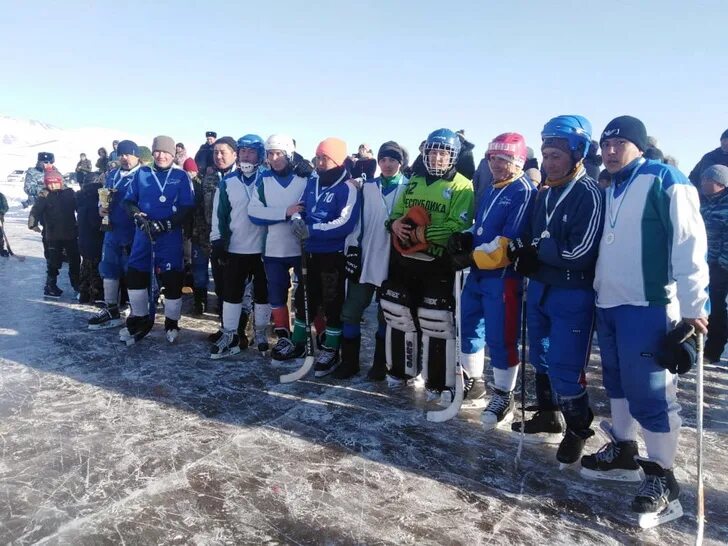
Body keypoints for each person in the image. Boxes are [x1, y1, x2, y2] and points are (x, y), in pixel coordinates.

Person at [581, 115, 708, 527]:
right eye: (606, 144)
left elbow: (690, 244)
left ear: (638, 145)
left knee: (650, 393)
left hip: (651, 304)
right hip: (611, 302)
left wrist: (694, 306)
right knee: (616, 383)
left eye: (620, 143)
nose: (611, 151)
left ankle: (663, 479)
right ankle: (622, 450)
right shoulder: (610, 185)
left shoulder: (665, 179)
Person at [506, 116, 604, 466]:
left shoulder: (589, 193)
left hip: (572, 294)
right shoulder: (544, 194)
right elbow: (532, 236)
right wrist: (522, 251)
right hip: (542, 290)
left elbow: (580, 253)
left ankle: (578, 428)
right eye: (545, 155)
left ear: (577, 154)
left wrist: (539, 252)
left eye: (556, 156)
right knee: (541, 357)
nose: (548, 162)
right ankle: (548, 414)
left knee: (566, 364)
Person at [448, 132, 534, 427]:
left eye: (504, 159)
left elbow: (506, 244)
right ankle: (475, 381)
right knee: (469, 324)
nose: (496, 164)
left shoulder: (523, 191)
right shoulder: (493, 188)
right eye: (492, 158)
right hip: (479, 274)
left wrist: (471, 257)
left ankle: (504, 393)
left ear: (518, 161)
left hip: (503, 277)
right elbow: (483, 226)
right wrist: (466, 236)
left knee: (501, 335)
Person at [383, 128, 474, 394]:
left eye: (443, 153)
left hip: (438, 264)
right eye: (432, 152)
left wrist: (425, 233)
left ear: (453, 156)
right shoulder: (413, 181)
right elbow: (397, 213)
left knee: (436, 322)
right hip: (406, 261)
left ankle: (438, 381)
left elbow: (458, 225)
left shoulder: (462, 185)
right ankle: (401, 371)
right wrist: (396, 224)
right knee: (399, 315)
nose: (436, 158)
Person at [284, 138, 361, 376]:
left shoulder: (347, 186)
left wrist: (313, 230)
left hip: (332, 255)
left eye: (324, 158)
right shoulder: (313, 181)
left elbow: (345, 222)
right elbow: (302, 207)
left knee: (332, 303)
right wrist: (296, 220)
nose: (319, 162)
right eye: (317, 157)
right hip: (309, 252)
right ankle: (299, 342)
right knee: (303, 298)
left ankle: (331, 347)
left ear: (337, 159)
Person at [339, 141, 409, 380]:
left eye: (393, 160)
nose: (387, 164)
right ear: (378, 162)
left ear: (401, 163)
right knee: (351, 311)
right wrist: (352, 250)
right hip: (366, 257)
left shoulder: (409, 188)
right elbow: (355, 222)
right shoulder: (366, 187)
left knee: (386, 315)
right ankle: (349, 363)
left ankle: (380, 364)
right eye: (383, 159)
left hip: (394, 260)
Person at [121, 136, 195, 344]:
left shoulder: (181, 177)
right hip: (144, 234)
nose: (161, 156)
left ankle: (171, 322)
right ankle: (140, 316)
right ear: (153, 153)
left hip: (169, 236)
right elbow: (128, 201)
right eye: (157, 152)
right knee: (136, 273)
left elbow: (187, 207)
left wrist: (167, 224)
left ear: (173, 155)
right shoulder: (142, 174)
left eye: (166, 152)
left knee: (172, 278)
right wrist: (136, 215)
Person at [248, 134, 312, 358]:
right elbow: (254, 212)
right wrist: (285, 212)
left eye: (278, 154)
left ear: (288, 154)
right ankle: (284, 335)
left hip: (301, 245)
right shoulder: (263, 180)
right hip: (274, 248)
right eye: (270, 154)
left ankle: (310, 336)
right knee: (276, 293)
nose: (274, 159)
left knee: (308, 293)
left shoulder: (304, 177)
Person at [208, 134, 271, 358]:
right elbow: (219, 215)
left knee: (263, 294)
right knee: (231, 294)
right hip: (236, 248)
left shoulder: (268, 179)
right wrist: (217, 241)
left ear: (260, 155)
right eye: (242, 151)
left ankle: (261, 332)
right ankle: (230, 333)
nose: (245, 155)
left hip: (264, 250)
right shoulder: (228, 183)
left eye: (251, 151)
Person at [88, 140, 143, 329]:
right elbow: (102, 196)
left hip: (133, 231)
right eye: (121, 154)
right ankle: (111, 309)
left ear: (137, 156)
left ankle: (136, 310)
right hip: (111, 230)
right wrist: (100, 208)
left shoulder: (143, 175)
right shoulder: (112, 174)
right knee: (109, 268)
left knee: (133, 271)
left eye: (128, 154)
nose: (124, 158)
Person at [193, 137, 238, 322]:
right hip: (213, 238)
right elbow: (200, 210)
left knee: (236, 285)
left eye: (223, 152)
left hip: (239, 240)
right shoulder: (207, 177)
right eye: (215, 152)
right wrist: (201, 236)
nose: (218, 156)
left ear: (234, 154)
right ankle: (223, 324)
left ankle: (240, 327)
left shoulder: (244, 176)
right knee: (219, 282)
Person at [28, 167, 80, 297]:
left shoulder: (69, 193)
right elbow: (35, 211)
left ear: (60, 182)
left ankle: (77, 284)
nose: (52, 185)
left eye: (54, 182)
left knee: (74, 260)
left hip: (70, 233)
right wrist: (32, 224)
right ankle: (50, 285)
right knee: (53, 261)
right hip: (53, 235)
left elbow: (79, 207)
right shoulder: (44, 196)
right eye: (49, 183)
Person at [700, 165, 728, 363]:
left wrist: (721, 264)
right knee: (705, 304)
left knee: (717, 307)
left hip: (721, 266)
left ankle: (714, 349)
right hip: (705, 262)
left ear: (721, 184)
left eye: (707, 180)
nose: (703, 184)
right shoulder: (705, 203)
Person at [75, 170, 104, 304]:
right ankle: (96, 296)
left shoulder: (82, 197)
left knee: (85, 267)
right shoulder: (95, 199)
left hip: (83, 240)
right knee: (95, 270)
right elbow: (95, 222)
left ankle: (83, 294)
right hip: (94, 241)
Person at [688, 129, 728, 193]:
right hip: (703, 196)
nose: (726, 143)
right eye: (724, 140)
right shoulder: (709, 157)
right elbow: (693, 176)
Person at [0, 191, 9, 257]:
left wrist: (1, 212)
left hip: (0, 218)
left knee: (0, 235)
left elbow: (6, 207)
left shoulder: (1, 196)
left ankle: (1, 249)